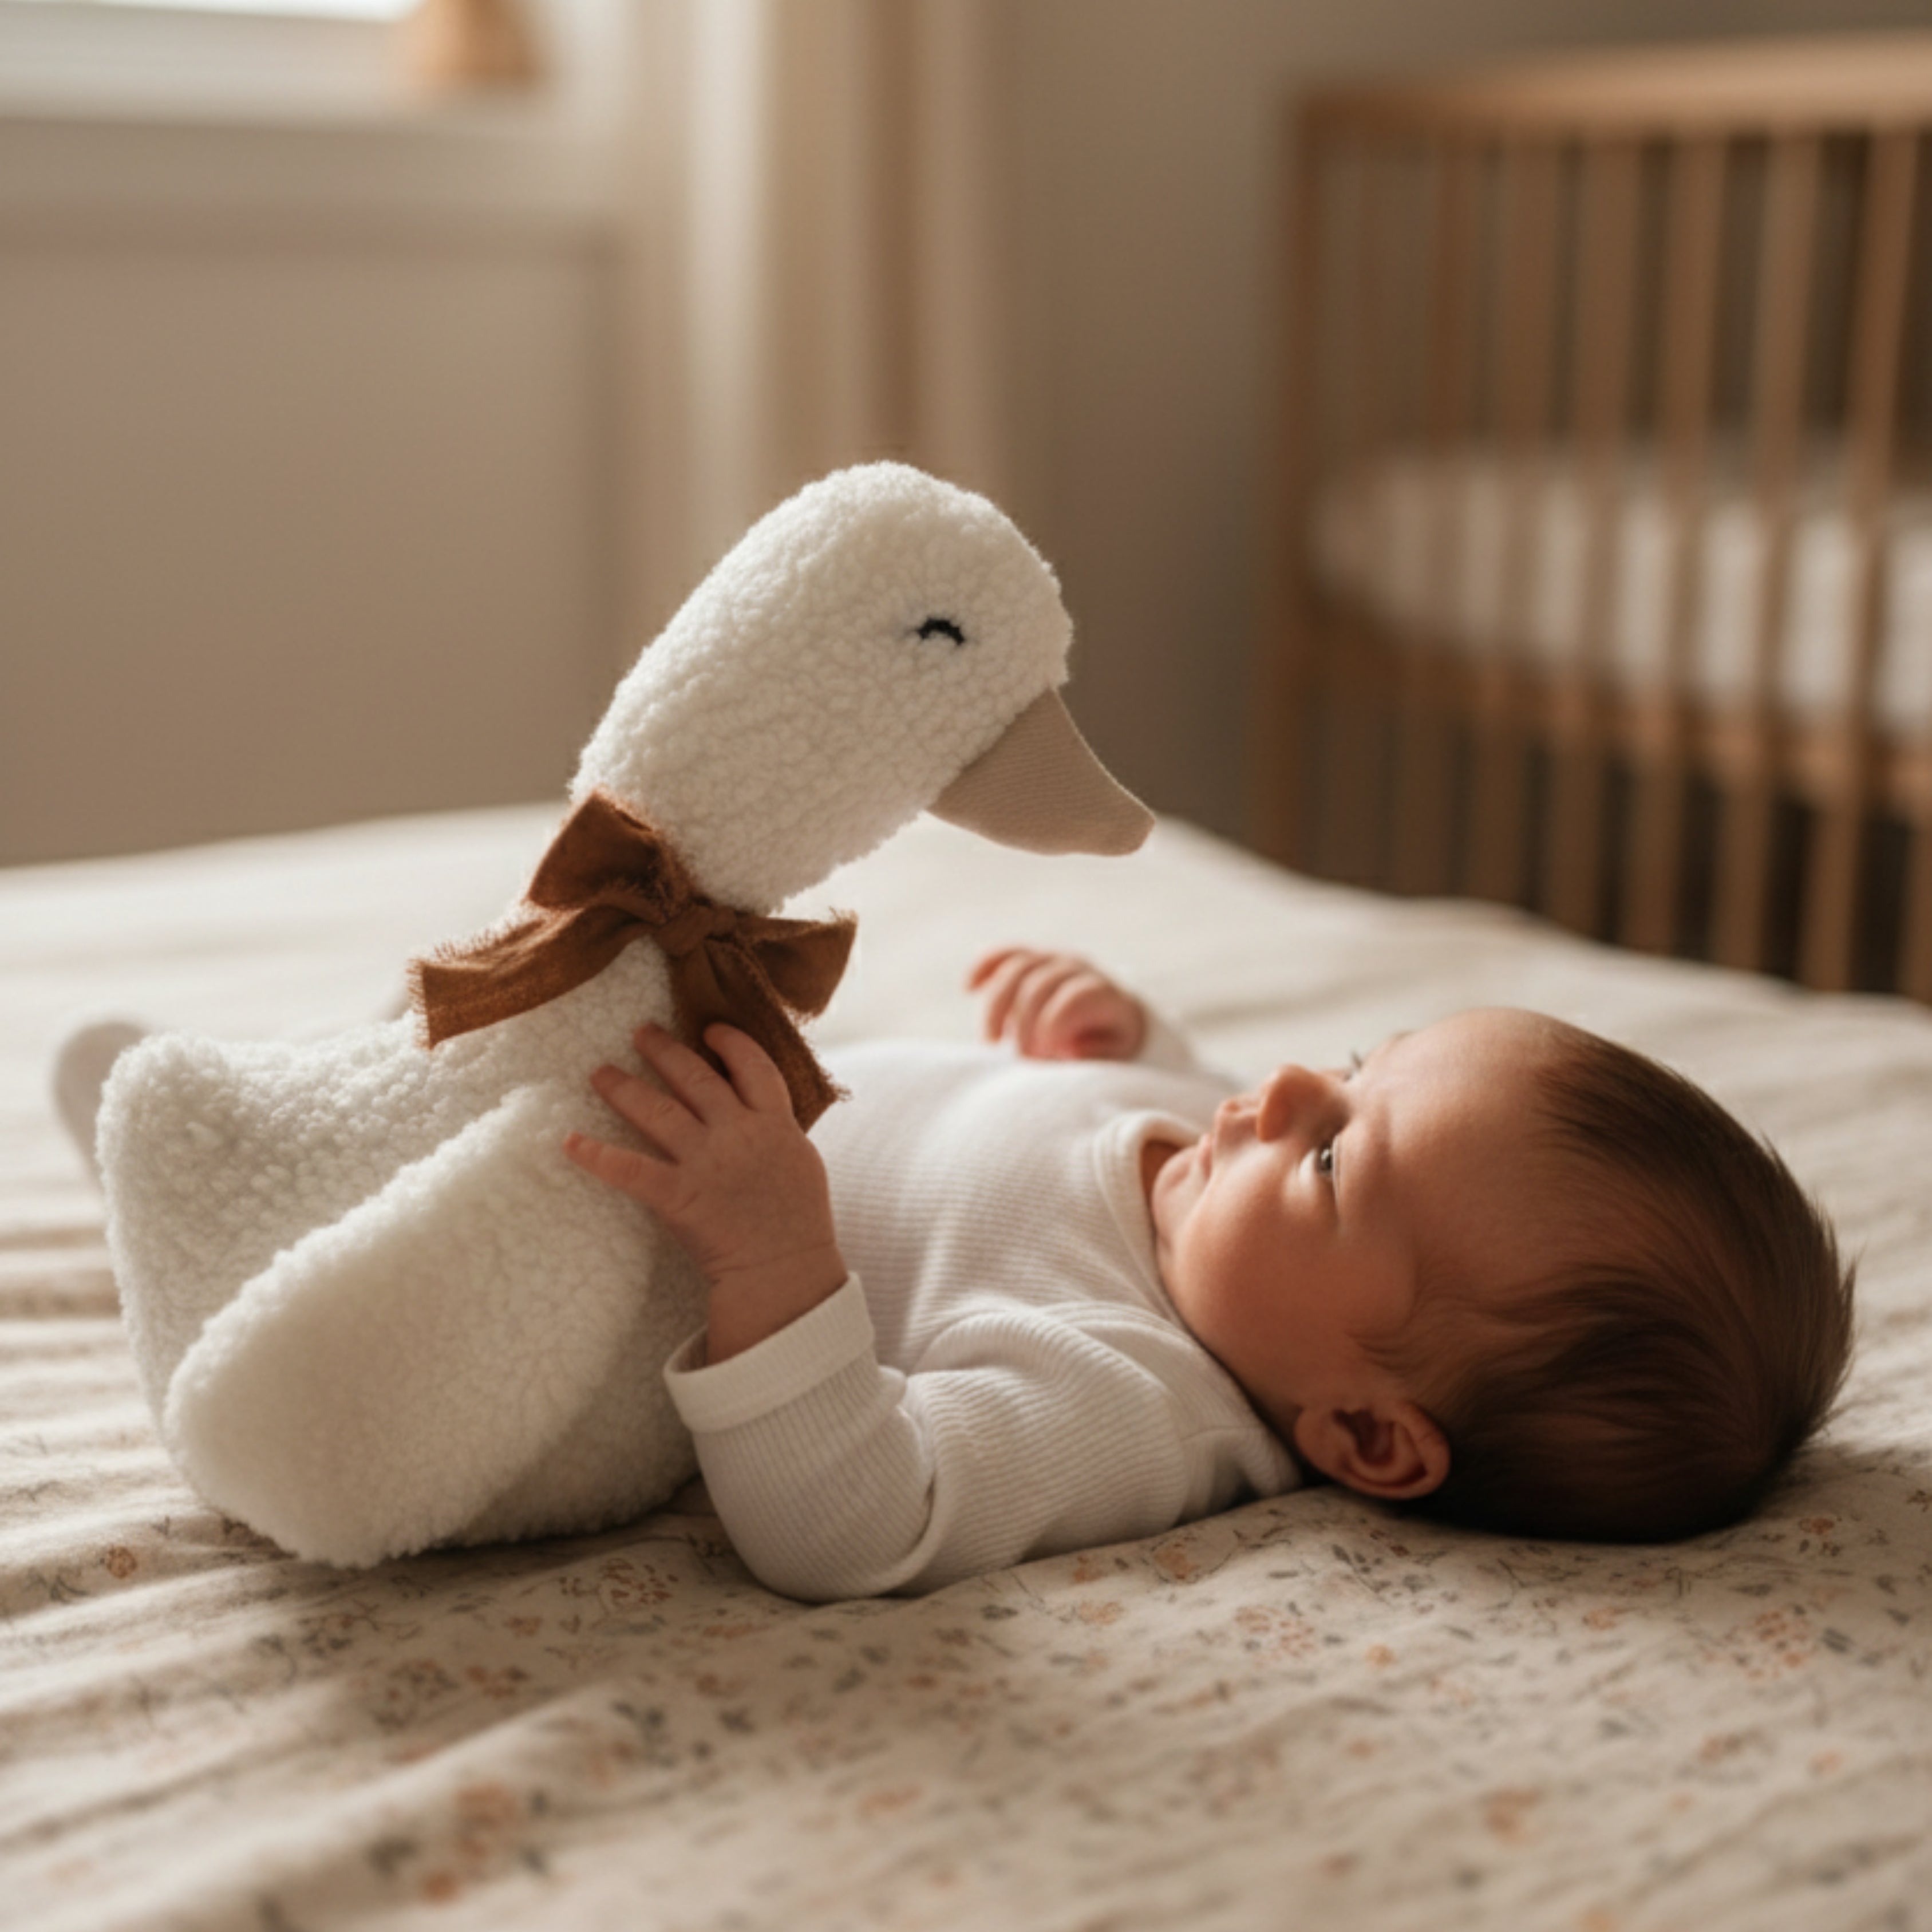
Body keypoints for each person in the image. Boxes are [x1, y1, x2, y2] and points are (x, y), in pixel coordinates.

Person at [564, 949, 1856, 1601]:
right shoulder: (1235, 1208)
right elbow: (1223, 1108)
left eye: (1334, 1158)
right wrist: (1128, 1040)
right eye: (1357, 1065)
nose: (1284, 1088)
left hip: (618, 1240)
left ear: (1365, 1433)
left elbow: (860, 1522)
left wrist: (770, 1258)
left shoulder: (1125, 1393)